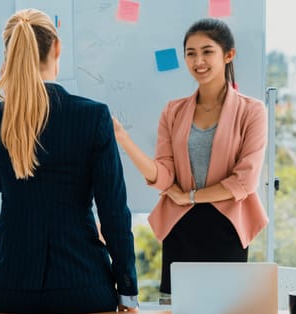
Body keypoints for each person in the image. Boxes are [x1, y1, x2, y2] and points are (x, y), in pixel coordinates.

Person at [0, 8, 138, 314]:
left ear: (10, 56)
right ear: (57, 47)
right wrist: (127, 289)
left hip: (11, 289)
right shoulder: (93, 116)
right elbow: (113, 209)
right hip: (84, 286)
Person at [113, 18, 269, 294]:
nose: (199, 61)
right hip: (181, 227)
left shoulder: (252, 111)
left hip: (228, 226)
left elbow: (245, 182)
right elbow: (164, 177)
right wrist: (124, 140)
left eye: (207, 51)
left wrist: (191, 196)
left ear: (228, 55)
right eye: (191, 53)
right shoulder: (173, 112)